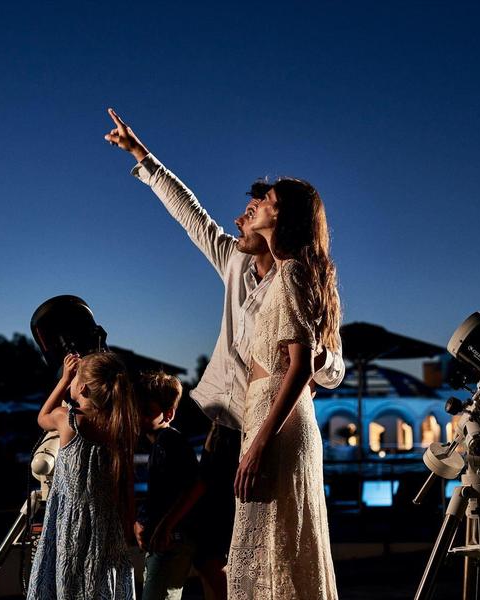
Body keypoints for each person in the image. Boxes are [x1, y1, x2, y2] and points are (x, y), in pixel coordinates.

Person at [103, 108, 345, 600]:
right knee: (209, 536)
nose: (238, 219)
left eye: (252, 210)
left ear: (277, 221)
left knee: (251, 543)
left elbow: (330, 366)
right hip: (227, 417)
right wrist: (141, 155)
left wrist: (312, 362)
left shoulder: (301, 278)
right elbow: (189, 213)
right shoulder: (235, 262)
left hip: (274, 420)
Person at [227, 177, 341, 599]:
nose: (257, 204)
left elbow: (300, 366)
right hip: (274, 417)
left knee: (276, 546)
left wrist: (259, 444)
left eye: (267, 200)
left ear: (281, 215)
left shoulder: (291, 272)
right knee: (275, 548)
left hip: (276, 426)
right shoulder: (287, 273)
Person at [27, 352, 137, 600]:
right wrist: (129, 523)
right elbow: (126, 485)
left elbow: (42, 417)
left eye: (76, 378)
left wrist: (64, 379)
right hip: (106, 523)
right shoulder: (118, 428)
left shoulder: (69, 420)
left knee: (70, 585)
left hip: (71, 525)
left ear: (83, 388)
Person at [133, 371, 199, 600]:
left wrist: (165, 527)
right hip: (166, 539)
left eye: (146, 411)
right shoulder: (161, 443)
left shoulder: (169, 442)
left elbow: (194, 486)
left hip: (172, 541)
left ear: (168, 413)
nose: (138, 417)